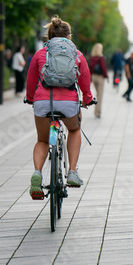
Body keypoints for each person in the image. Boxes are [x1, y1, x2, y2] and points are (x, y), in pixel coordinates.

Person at [25, 15, 95, 199]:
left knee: (42, 140)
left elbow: (31, 81)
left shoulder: (41, 54)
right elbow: (85, 80)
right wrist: (87, 99)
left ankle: (37, 173)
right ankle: (72, 171)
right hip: (69, 104)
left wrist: (31, 98)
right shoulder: (77, 54)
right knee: (74, 129)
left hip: (43, 102)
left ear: (49, 37)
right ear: (69, 37)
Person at [89, 43, 108, 118]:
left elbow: (90, 67)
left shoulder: (92, 57)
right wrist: (106, 76)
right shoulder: (101, 57)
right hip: (100, 77)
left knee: (97, 93)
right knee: (100, 95)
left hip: (93, 76)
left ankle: (95, 111)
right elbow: (103, 68)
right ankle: (98, 112)